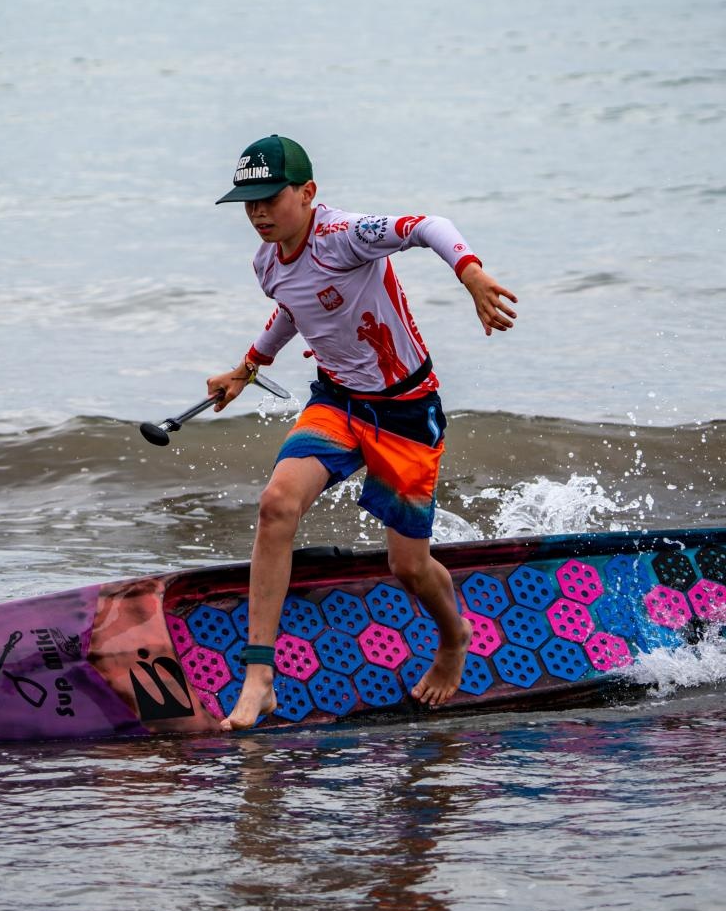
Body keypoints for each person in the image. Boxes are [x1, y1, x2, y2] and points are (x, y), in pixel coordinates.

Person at [206, 134, 518, 731]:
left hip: (405, 410)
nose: (259, 212)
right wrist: (246, 369)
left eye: (271, 198)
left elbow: (430, 224)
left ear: (308, 193)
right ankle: (260, 676)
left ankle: (454, 641)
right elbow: (295, 310)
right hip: (338, 403)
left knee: (408, 567)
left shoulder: (346, 235)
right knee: (276, 506)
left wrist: (471, 277)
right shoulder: (266, 263)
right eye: (249, 203)